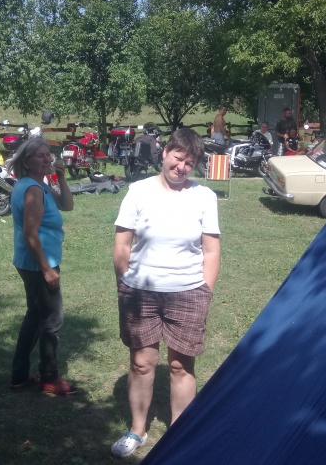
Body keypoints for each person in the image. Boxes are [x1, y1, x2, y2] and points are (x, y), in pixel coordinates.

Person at [110, 127, 221, 458]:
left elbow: (211, 250)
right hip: (140, 292)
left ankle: (179, 436)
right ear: (165, 153)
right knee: (142, 362)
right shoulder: (138, 192)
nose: (181, 167)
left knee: (180, 366)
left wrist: (205, 290)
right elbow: (122, 244)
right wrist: (125, 281)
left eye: (189, 162)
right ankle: (137, 429)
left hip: (188, 292)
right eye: (177, 157)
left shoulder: (204, 197)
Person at [9, 138, 78, 396]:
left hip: (31, 262)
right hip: (39, 264)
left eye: (48, 154)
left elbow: (67, 205)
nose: (47, 159)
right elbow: (30, 234)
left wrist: (61, 178)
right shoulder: (33, 190)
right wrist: (47, 270)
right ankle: (49, 378)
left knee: (35, 317)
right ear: (26, 162)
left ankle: (19, 375)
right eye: (40, 156)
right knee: (52, 320)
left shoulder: (39, 185)